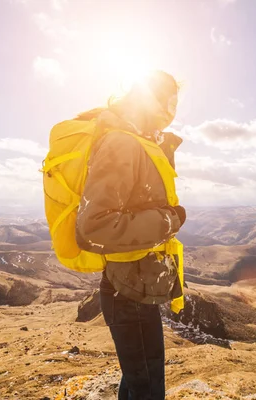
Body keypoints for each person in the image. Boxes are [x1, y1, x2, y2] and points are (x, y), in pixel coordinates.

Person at [75, 71, 186, 399]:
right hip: (129, 293)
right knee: (149, 391)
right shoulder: (122, 142)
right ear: (154, 100)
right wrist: (167, 221)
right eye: (171, 102)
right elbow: (94, 226)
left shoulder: (138, 140)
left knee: (139, 385)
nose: (173, 111)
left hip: (135, 286)